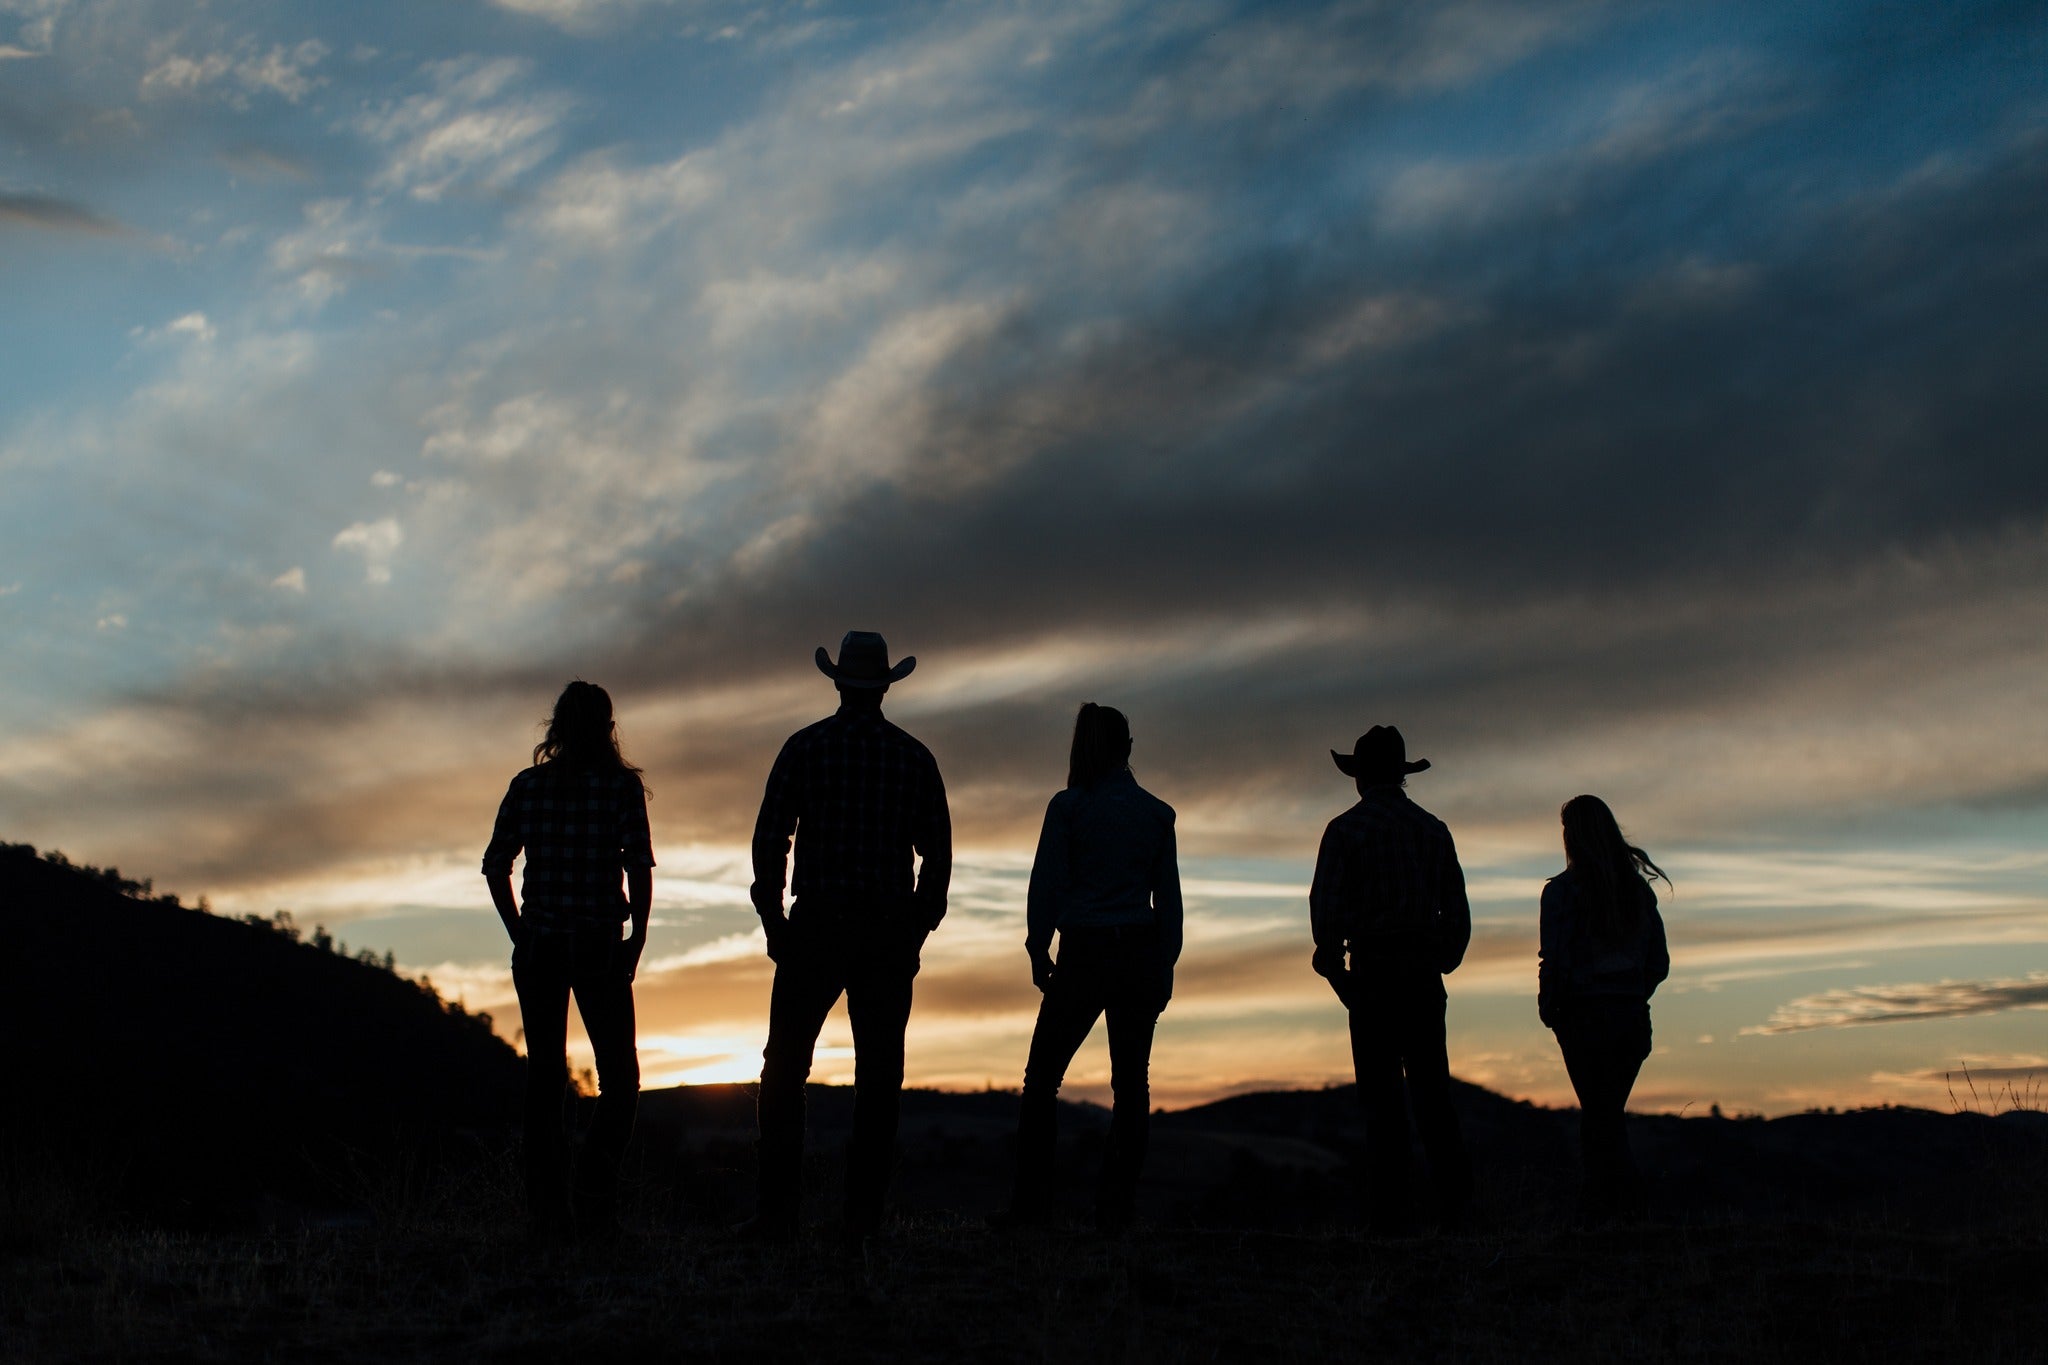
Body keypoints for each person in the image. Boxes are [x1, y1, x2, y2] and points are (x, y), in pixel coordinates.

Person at [743, 631, 952, 1245]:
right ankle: (861, 1219)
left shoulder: (806, 748)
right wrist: (917, 925)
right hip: (887, 926)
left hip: (819, 921)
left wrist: (774, 919)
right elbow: (937, 855)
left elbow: (770, 837)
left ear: (837, 682)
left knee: (784, 1067)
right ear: (885, 686)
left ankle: (778, 1213)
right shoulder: (914, 758)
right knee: (880, 1073)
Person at [997, 703, 1182, 1233]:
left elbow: (1048, 882)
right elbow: (1168, 900)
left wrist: (1038, 945)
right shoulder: (1156, 814)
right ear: (1127, 747)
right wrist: (1165, 962)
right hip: (1138, 952)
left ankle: (1031, 1209)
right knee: (1131, 1085)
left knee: (1041, 1082)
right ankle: (1115, 1212)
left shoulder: (1069, 808)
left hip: (1085, 952)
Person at [482, 680, 653, 1240]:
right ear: (606, 729)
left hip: (543, 949)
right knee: (620, 1080)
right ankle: (592, 1200)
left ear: (556, 728)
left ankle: (550, 1213)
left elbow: (495, 865)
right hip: (599, 947)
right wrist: (637, 940)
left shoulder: (528, 786)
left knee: (546, 1080)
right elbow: (639, 869)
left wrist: (520, 933)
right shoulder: (619, 789)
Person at [1309, 725, 1473, 1232]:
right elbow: (1458, 915)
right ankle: (1459, 1217)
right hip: (1422, 975)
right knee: (1433, 1099)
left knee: (1381, 1104)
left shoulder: (1345, 831)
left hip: (1375, 975)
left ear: (1359, 778)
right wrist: (1441, 958)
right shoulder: (1433, 830)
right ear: (1402, 776)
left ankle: (1392, 1222)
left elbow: (1325, 914)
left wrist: (1338, 971)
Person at [1539, 794, 1670, 1221]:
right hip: (1630, 1021)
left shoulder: (1560, 893)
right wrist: (1631, 993)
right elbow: (1659, 963)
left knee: (1600, 1117)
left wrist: (1552, 1007)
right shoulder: (1637, 892)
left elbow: (1553, 959)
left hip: (1584, 1021)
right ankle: (1611, 1213)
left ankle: (1611, 1212)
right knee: (1604, 1115)